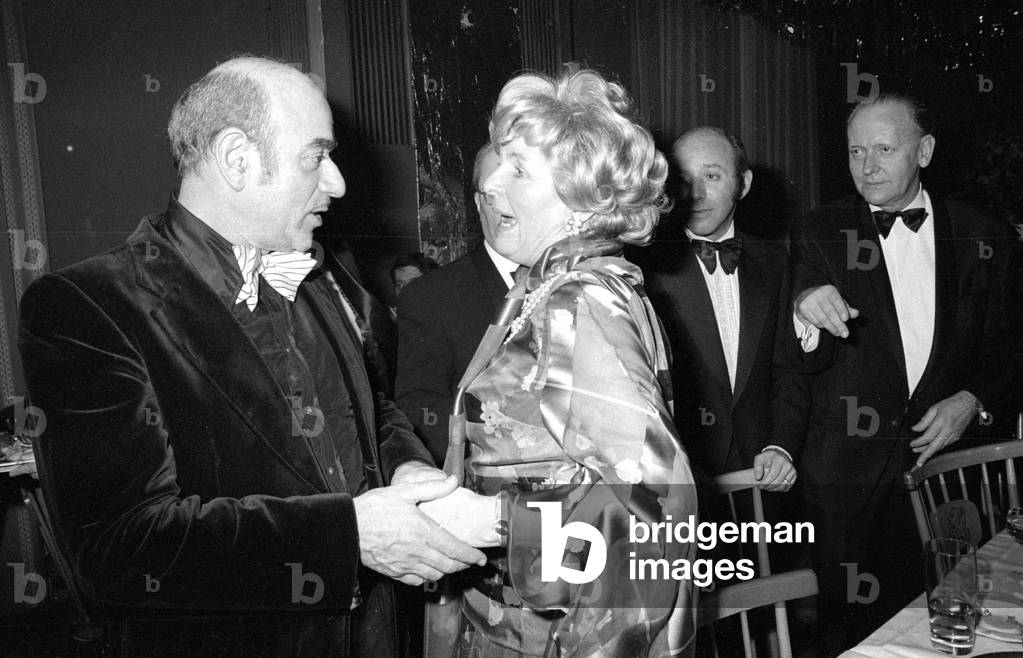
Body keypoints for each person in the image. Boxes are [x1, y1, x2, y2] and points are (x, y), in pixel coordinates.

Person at [17, 56, 485, 656]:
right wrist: (348, 536)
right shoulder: (86, 305)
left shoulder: (321, 279)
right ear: (238, 159)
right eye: (317, 156)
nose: (338, 182)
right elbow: (119, 548)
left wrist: (404, 469)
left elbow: (377, 410)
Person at [418, 69, 698, 657]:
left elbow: (655, 503)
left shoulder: (579, 304)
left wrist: (494, 523)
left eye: (519, 169)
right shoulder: (548, 290)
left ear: (581, 196)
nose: (491, 185)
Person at [790, 92, 1021, 649]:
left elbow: (1011, 342)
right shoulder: (817, 231)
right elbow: (797, 360)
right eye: (855, 151)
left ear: (925, 150)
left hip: (948, 469)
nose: (866, 166)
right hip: (845, 472)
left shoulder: (985, 233)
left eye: (884, 149)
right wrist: (804, 312)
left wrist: (973, 400)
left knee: (950, 620)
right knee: (840, 631)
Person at [645, 127, 808, 488]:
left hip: (764, 474)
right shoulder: (646, 269)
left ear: (743, 184)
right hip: (682, 480)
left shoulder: (775, 261)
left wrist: (781, 447)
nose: (696, 193)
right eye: (684, 179)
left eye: (712, 176)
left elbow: (789, 370)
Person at [395, 144, 520, 463]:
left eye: (521, 183)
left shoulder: (579, 282)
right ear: (479, 203)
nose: (509, 200)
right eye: (495, 189)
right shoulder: (432, 296)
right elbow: (419, 405)